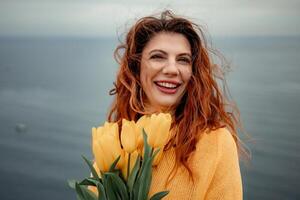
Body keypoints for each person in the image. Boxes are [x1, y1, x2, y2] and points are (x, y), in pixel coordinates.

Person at [107, 10, 244, 200]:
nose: (172, 69)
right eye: (158, 56)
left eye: (183, 60)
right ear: (136, 67)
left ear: (192, 72)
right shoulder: (114, 139)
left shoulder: (216, 142)